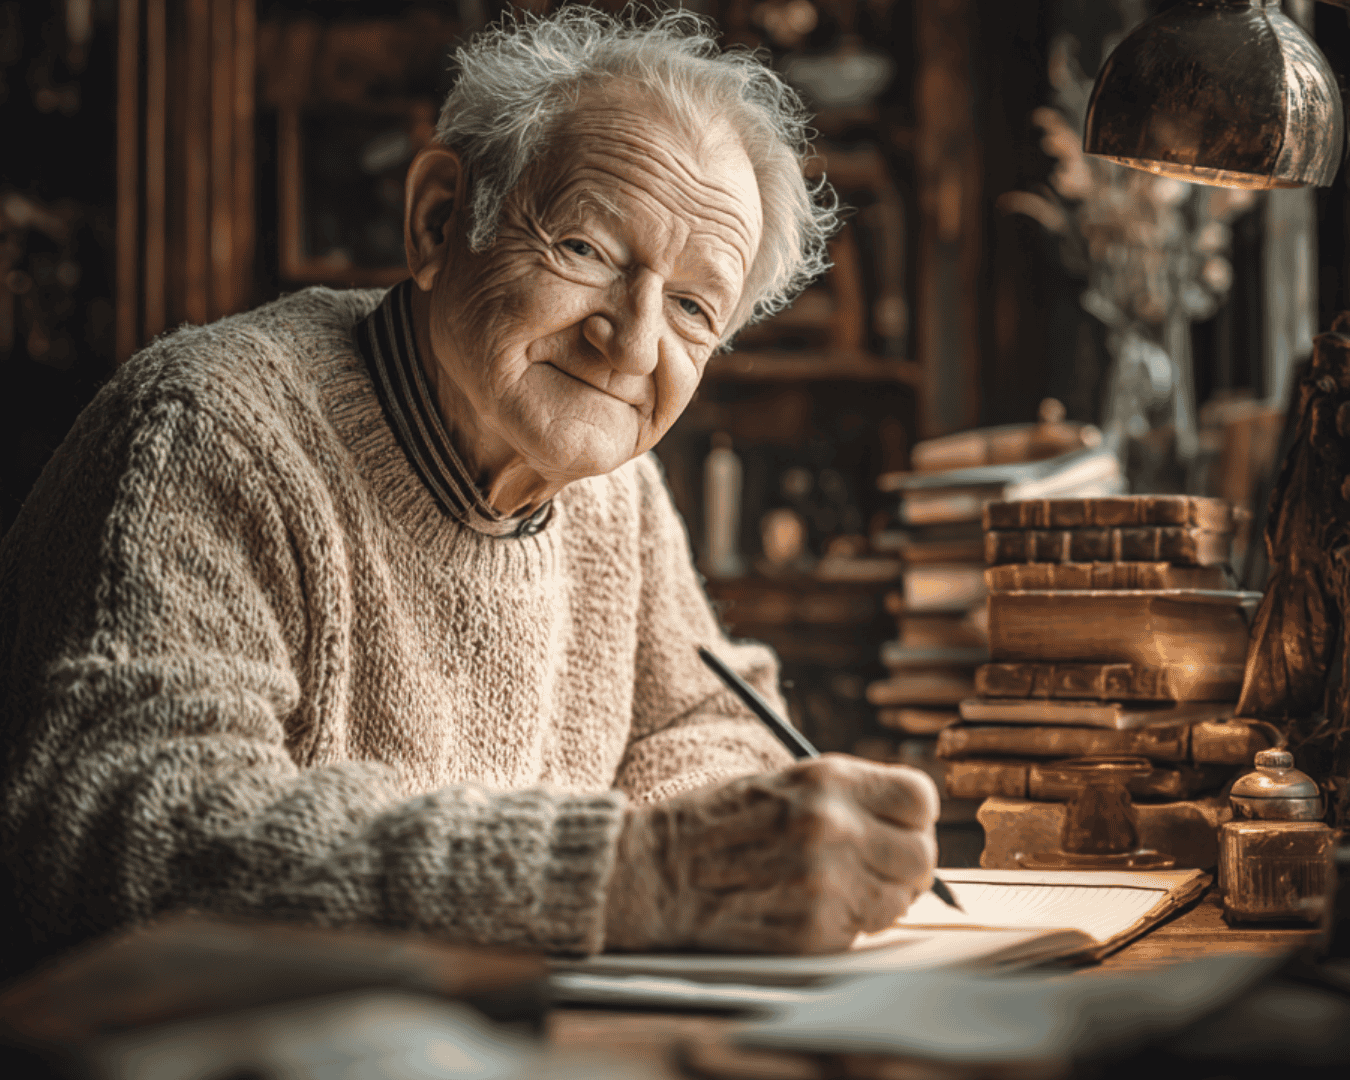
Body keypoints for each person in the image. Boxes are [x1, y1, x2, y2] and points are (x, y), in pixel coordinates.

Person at [0, 8, 937, 972]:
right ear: (441, 219)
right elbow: (130, 832)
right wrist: (627, 876)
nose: (633, 343)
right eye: (588, 251)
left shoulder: (616, 492)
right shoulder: (209, 432)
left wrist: (701, 861)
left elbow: (709, 723)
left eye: (695, 307)